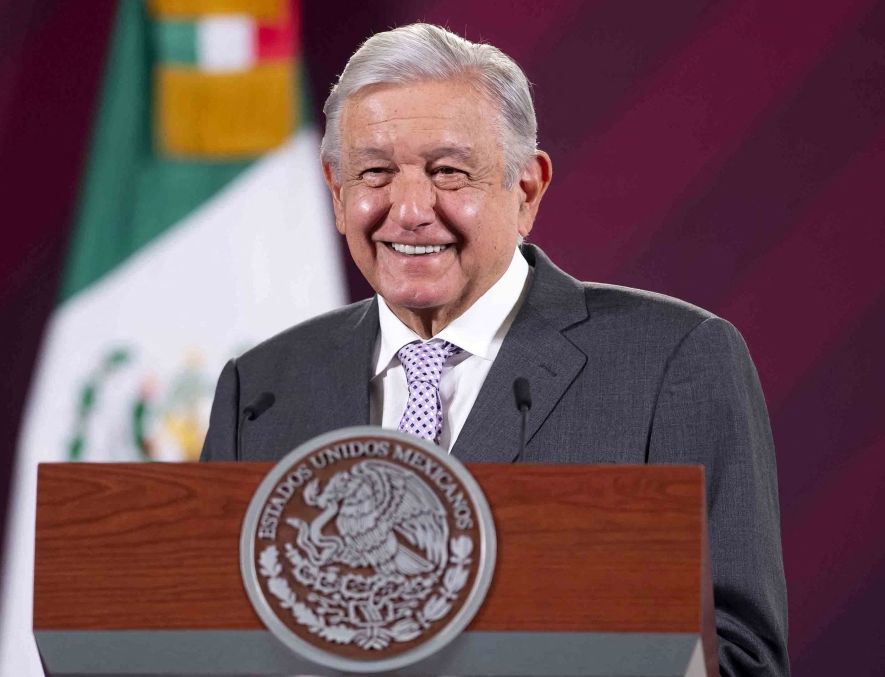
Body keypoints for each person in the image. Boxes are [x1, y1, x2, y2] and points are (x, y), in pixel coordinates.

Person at [201, 23, 788, 677]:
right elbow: (206, 637)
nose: (410, 209)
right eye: (376, 173)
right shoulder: (261, 387)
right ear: (337, 194)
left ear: (527, 190)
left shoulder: (673, 362)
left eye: (449, 172)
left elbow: (739, 659)